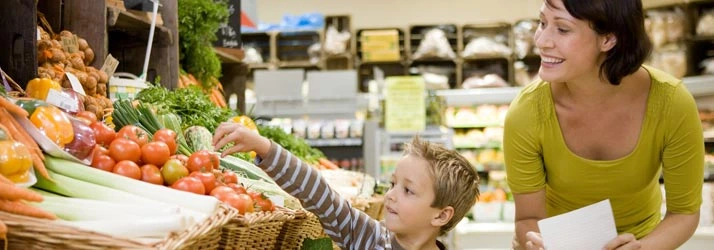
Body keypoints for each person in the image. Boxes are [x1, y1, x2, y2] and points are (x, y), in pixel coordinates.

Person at [504, 0, 704, 249]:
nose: (542, 41)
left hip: (643, 241)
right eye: (542, 23)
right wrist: (535, 242)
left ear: (608, 39)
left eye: (562, 29)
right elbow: (528, 217)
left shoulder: (671, 103)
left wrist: (643, 248)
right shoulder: (527, 112)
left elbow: (684, 213)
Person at [213, 123, 480, 250]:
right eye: (393, 184)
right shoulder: (367, 237)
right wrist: (266, 148)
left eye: (408, 191)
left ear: (441, 215)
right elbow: (320, 194)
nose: (390, 196)